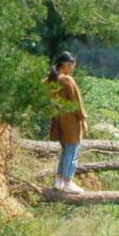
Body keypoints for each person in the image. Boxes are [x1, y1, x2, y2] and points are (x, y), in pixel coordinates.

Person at [45, 51, 88, 193]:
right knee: (72, 151)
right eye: (72, 64)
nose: (73, 67)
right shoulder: (67, 80)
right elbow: (77, 103)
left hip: (58, 120)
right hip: (71, 121)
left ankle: (59, 181)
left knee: (65, 152)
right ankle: (68, 182)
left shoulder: (50, 79)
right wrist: (83, 120)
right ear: (65, 64)